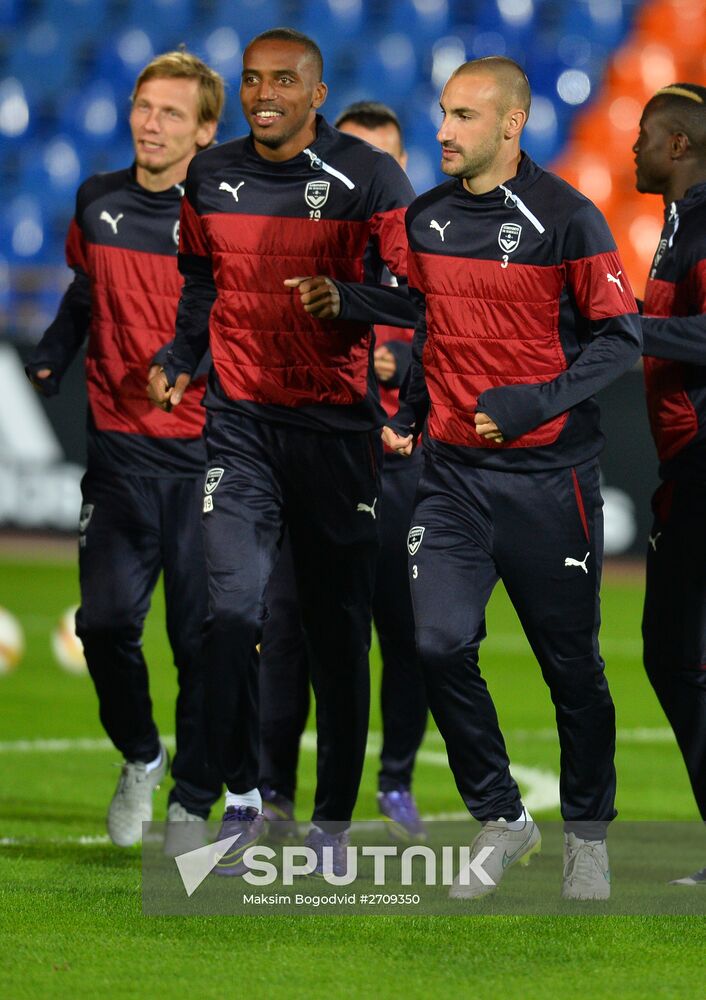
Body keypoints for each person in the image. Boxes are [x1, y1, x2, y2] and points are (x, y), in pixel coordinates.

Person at [149, 28, 415, 875]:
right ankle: (240, 798)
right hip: (240, 426)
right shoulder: (210, 173)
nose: (265, 93)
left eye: (284, 81)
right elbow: (199, 281)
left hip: (336, 434)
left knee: (338, 635)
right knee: (228, 612)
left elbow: (416, 292)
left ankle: (330, 821)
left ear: (318, 89)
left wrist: (349, 298)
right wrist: (181, 355)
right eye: (253, 80)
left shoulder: (368, 177)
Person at [383, 56, 642, 899]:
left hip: (548, 482)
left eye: (463, 116)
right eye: (443, 114)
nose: (445, 131)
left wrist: (541, 402)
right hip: (452, 478)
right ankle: (503, 816)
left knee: (572, 668)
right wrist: (413, 411)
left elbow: (620, 336)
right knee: (435, 642)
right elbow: (431, 329)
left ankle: (588, 835)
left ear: (511, 124)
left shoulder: (568, 219)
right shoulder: (423, 221)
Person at [26, 51, 226, 851]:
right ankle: (141, 757)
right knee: (105, 627)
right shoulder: (98, 200)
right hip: (116, 455)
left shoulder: (221, 220)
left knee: (199, 644)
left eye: (172, 113)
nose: (152, 122)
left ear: (205, 132)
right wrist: (53, 350)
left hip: (203, 460)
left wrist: (190, 367)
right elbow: (85, 289)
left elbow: (237, 321)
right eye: (146, 106)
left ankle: (191, 797)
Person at [257, 100, 428, 842]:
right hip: (319, 466)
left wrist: (410, 363)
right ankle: (274, 795)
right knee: (288, 627)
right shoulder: (298, 252)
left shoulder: (428, 254)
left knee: (408, 633)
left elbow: (469, 336)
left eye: (382, 161)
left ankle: (394, 783)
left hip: (405, 477)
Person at [634, 82, 706, 886]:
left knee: (676, 654)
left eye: (646, 136)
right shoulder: (679, 222)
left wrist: (628, 328)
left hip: (702, 462)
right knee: (674, 655)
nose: (634, 147)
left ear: (680, 144)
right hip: (684, 466)